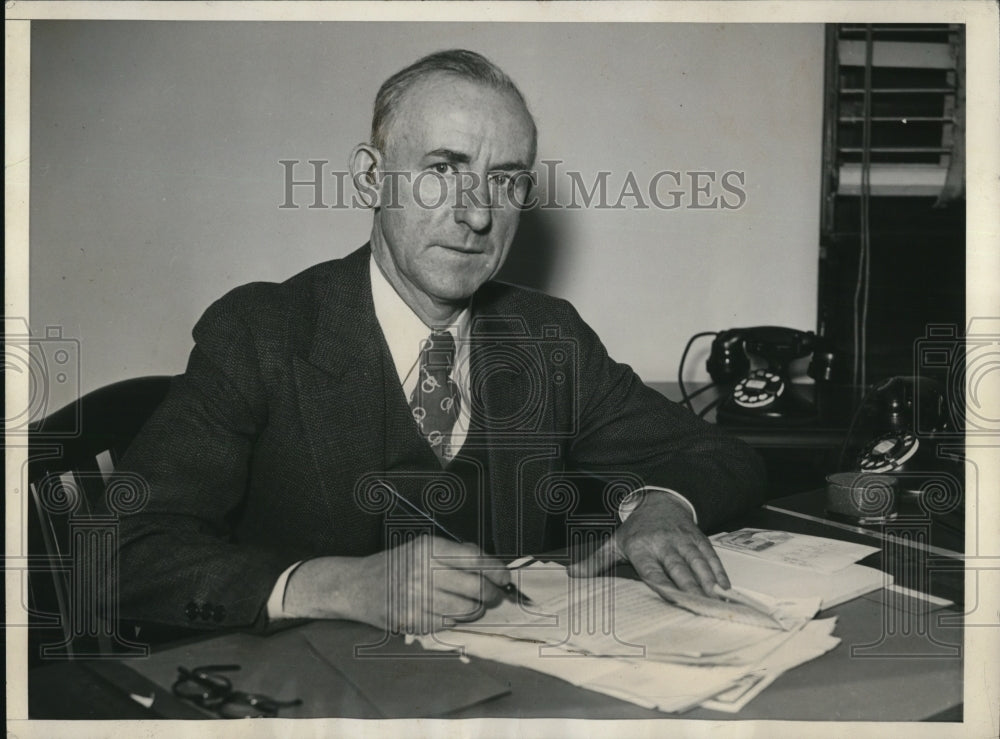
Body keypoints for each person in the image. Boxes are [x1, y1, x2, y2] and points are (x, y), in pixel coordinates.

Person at [112, 49, 765, 636]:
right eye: (443, 168)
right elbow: (119, 553)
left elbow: (716, 452)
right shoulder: (263, 332)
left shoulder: (546, 335)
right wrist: (336, 583)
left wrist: (657, 503)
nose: (478, 213)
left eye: (505, 180)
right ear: (371, 177)